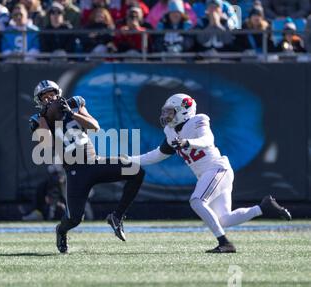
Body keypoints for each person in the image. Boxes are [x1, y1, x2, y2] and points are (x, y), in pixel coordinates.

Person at [129, 93, 292, 253]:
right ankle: (264, 208)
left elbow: (207, 140)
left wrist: (188, 142)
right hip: (209, 174)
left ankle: (225, 243)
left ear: (184, 111)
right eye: (165, 111)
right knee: (224, 219)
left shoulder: (198, 120)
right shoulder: (170, 132)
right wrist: (130, 160)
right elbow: (157, 155)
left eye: (171, 112)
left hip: (216, 168)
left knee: (196, 201)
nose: (166, 116)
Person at [29, 80, 145, 253]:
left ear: (58, 93)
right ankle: (61, 230)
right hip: (76, 172)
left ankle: (117, 216)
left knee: (136, 171)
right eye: (45, 97)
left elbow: (95, 126)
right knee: (74, 219)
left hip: (94, 161)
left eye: (52, 94)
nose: (49, 99)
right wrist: (47, 119)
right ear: (39, 101)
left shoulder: (74, 103)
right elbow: (46, 146)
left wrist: (71, 113)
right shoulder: (38, 119)